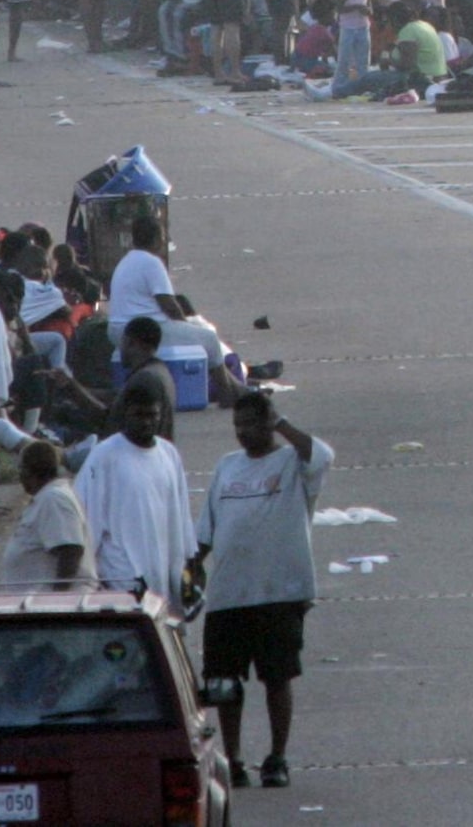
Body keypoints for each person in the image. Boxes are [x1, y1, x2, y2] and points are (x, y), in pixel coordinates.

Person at [198, 391, 333, 789]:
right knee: (224, 684)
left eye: (252, 424)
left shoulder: (294, 463)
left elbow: (322, 454)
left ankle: (277, 757)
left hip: (280, 592)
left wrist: (281, 423)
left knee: (277, 678)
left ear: (269, 422)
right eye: (237, 426)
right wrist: (191, 568)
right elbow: (205, 531)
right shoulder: (227, 467)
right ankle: (234, 759)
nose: (243, 433)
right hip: (228, 594)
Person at [82, 379, 199, 603]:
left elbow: (182, 519)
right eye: (139, 415)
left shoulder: (169, 454)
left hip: (163, 581)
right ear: (125, 414)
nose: (146, 422)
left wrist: (189, 567)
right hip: (121, 583)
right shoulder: (104, 457)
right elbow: (88, 524)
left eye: (152, 415)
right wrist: (94, 579)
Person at [108, 213, 244, 399]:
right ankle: (227, 393)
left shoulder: (125, 262)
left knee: (199, 335)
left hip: (118, 331)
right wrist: (185, 325)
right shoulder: (152, 263)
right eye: (163, 236)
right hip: (143, 331)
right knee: (209, 338)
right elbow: (169, 305)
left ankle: (236, 387)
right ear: (157, 238)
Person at [0, 439, 93, 586]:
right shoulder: (47, 496)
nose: (20, 475)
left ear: (30, 470)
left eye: (21, 469)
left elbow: (70, 550)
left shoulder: (54, 499)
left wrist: (57, 601)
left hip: (52, 605)